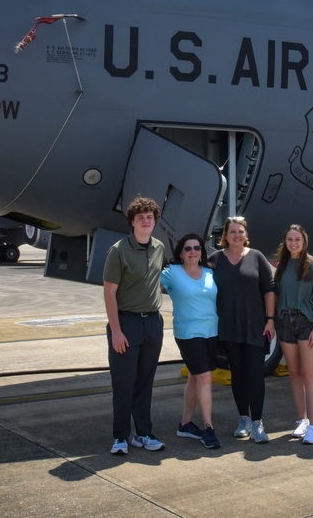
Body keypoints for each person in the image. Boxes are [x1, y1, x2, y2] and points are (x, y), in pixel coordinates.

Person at [103, 195, 167, 455]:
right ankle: (120, 436)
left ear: (155, 222)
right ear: (132, 222)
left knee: (145, 381)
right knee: (124, 382)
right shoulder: (119, 250)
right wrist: (116, 331)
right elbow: (109, 293)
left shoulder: (160, 247)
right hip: (126, 323)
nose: (145, 221)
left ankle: (143, 433)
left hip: (152, 322)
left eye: (149, 217)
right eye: (140, 217)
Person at [209, 216, 276, 444]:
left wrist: (270, 319)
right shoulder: (214, 260)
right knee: (237, 374)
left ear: (246, 235)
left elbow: (269, 289)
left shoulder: (257, 257)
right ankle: (244, 419)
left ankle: (258, 422)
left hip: (255, 325)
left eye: (240, 231)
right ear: (225, 236)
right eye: (232, 232)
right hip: (228, 327)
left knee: (255, 375)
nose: (236, 235)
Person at [160, 233, 221, 450]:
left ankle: (185, 424)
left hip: (211, 332)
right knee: (205, 377)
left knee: (196, 376)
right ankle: (208, 428)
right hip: (188, 333)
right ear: (180, 253)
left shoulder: (209, 273)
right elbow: (147, 283)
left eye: (197, 248)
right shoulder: (172, 273)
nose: (193, 252)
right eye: (188, 249)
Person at [273, 224, 313, 445]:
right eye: (289, 240)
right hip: (285, 322)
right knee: (294, 375)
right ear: (285, 242)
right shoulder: (282, 265)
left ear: (304, 241)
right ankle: (302, 420)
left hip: (306, 322)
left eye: (297, 239)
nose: (293, 243)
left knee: (309, 376)